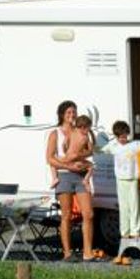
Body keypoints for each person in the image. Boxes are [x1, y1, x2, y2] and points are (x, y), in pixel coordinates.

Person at [45, 100, 101, 261]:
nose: (72, 115)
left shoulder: (81, 131)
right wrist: (69, 166)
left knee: (88, 214)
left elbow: (90, 151)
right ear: (62, 114)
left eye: (74, 112)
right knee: (67, 215)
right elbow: (49, 158)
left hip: (81, 175)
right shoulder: (55, 133)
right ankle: (68, 253)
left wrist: (79, 157)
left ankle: (88, 253)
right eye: (69, 112)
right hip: (64, 175)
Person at [101, 119, 140, 265]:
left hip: (133, 180)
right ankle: (125, 233)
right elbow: (101, 149)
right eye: (120, 136)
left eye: (125, 136)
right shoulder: (113, 146)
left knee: (134, 206)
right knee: (123, 208)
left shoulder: (134, 145)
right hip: (120, 181)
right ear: (116, 136)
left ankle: (135, 231)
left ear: (128, 134)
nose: (123, 139)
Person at [50, 114, 95, 192]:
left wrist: (66, 151)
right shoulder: (85, 137)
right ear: (84, 128)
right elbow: (91, 150)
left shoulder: (71, 133)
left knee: (53, 164)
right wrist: (81, 153)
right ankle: (86, 180)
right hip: (77, 158)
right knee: (91, 166)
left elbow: (64, 144)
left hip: (68, 156)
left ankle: (55, 178)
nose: (89, 130)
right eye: (89, 128)